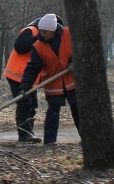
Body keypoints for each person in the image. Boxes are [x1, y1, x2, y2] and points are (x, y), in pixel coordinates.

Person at [20, 13, 80, 146]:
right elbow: (32, 68)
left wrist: (74, 61)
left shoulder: (69, 34)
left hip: (71, 80)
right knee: (53, 111)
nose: (42, 34)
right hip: (53, 82)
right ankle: (50, 140)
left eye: (45, 32)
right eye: (40, 31)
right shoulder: (38, 46)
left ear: (53, 30)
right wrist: (25, 85)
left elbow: (80, 49)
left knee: (78, 109)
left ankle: (87, 137)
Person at [3, 16, 64, 143]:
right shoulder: (31, 30)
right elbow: (19, 46)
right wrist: (38, 38)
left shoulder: (48, 39)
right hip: (16, 74)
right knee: (24, 104)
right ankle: (24, 135)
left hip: (29, 78)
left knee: (32, 104)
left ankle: (29, 133)